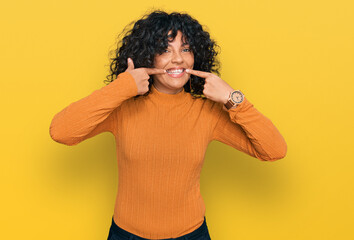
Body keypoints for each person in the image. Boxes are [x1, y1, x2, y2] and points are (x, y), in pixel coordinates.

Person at [49, 9, 287, 240]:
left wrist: (234, 99)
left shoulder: (207, 112)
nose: (178, 58)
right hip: (126, 234)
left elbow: (274, 150)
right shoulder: (123, 107)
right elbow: (61, 131)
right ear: (148, 56)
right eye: (165, 49)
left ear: (196, 56)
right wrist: (122, 87)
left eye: (186, 49)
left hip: (191, 235)